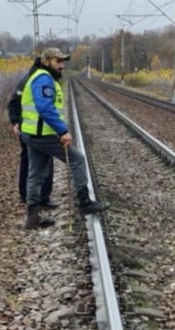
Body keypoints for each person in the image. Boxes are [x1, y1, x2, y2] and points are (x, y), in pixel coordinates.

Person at [21, 48, 109, 229]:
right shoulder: (43, 78)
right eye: (57, 61)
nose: (61, 65)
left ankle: (32, 217)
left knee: (35, 174)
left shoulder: (42, 76)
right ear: (46, 61)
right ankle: (85, 203)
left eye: (62, 62)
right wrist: (62, 131)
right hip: (42, 135)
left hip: (32, 133)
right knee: (77, 159)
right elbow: (45, 107)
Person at [8, 57, 55, 215]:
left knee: (36, 161)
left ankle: (40, 197)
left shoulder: (35, 79)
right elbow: (13, 102)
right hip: (29, 128)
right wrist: (15, 122)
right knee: (35, 161)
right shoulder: (30, 80)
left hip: (36, 128)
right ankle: (31, 196)